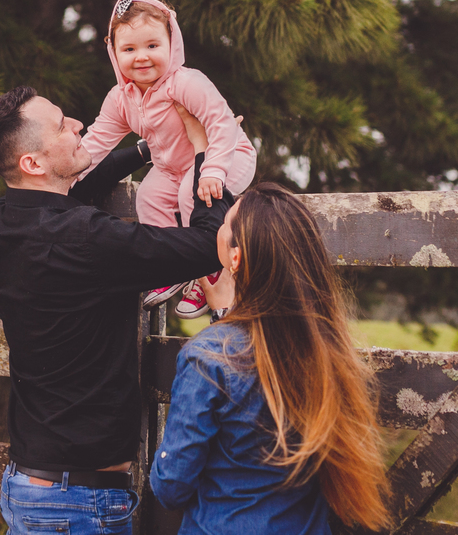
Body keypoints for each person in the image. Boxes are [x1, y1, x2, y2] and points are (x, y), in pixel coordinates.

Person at [0, 85, 234, 535]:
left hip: (30, 486)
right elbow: (210, 244)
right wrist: (206, 153)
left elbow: (68, 199)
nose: (78, 125)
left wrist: (151, 147)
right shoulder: (87, 238)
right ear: (32, 163)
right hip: (76, 505)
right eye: (61, 126)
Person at [150, 183, 392, 534]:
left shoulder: (208, 357)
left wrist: (223, 323)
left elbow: (171, 487)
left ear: (235, 257)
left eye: (225, 222)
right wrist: (225, 317)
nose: (219, 224)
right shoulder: (329, 351)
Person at [81, 0, 257, 318]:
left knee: (192, 194)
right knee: (148, 197)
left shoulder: (186, 83)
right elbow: (96, 141)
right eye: (129, 49)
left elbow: (222, 123)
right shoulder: (121, 98)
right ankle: (170, 267)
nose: (142, 57)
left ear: (172, 44)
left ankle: (209, 274)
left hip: (226, 157)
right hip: (171, 168)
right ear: (113, 52)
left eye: (152, 45)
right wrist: (68, 173)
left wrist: (213, 170)